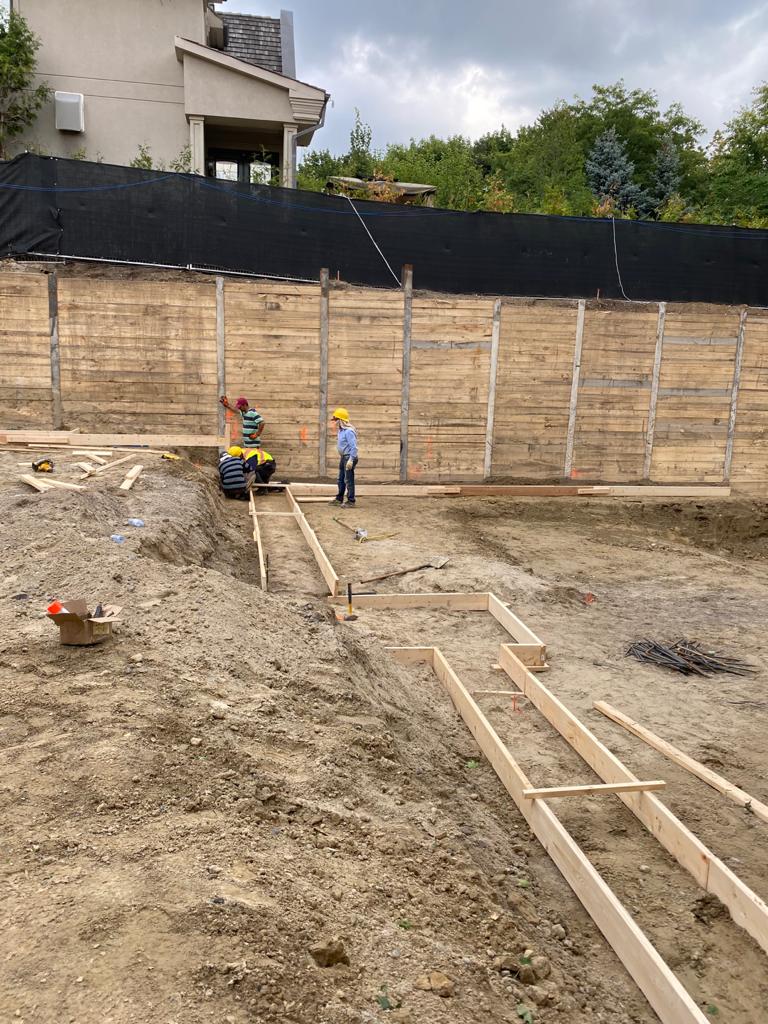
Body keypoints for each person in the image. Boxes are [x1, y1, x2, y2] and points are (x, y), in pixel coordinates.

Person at [329, 406, 358, 507]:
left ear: (340, 420)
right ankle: (339, 499)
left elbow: (354, 447)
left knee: (348, 480)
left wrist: (351, 460)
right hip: (343, 457)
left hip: (349, 457)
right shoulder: (341, 431)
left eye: (335, 420)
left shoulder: (349, 431)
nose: (334, 422)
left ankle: (351, 501)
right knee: (340, 479)